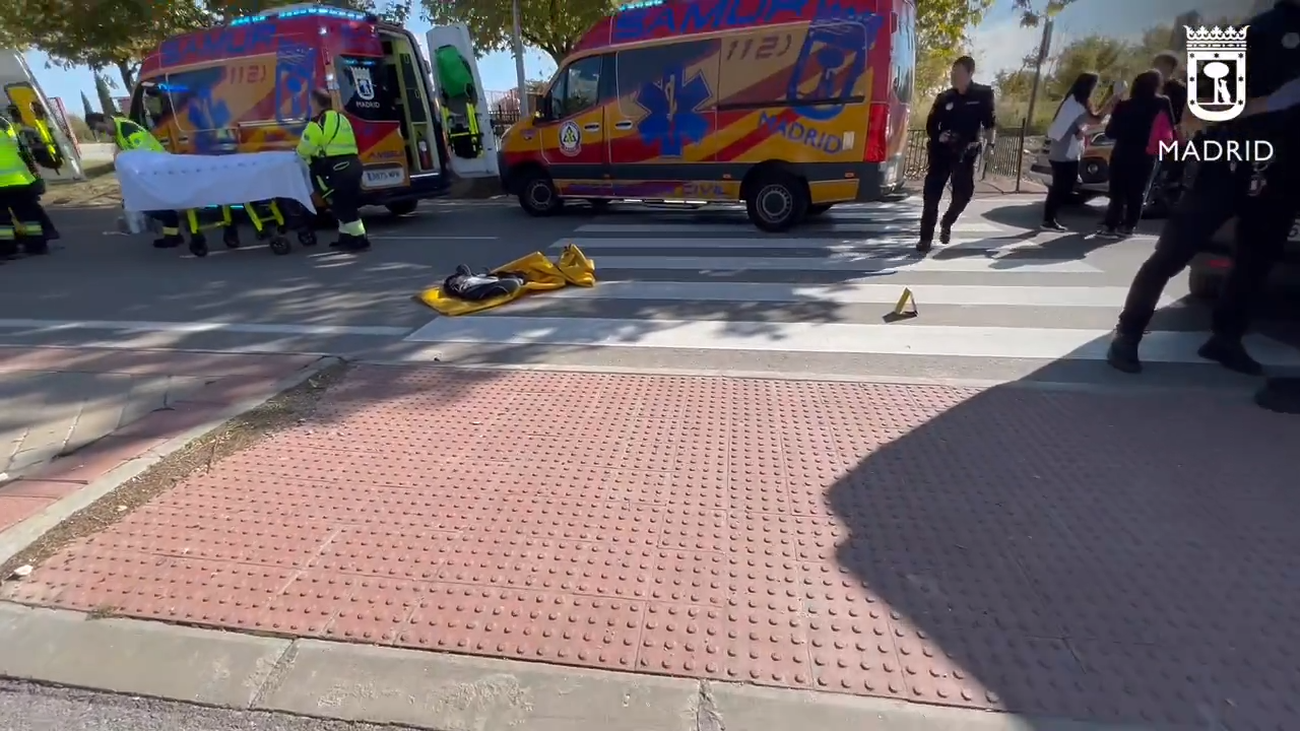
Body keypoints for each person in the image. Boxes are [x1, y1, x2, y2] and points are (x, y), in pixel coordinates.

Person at [1108, 0, 1300, 376]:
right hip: (1228, 159)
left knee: (1256, 261)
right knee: (1174, 251)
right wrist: (1271, 103)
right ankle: (1128, 333)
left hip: (1284, 169)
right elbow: (1196, 112)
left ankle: (1226, 339)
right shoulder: (1247, 32)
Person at [918, 55, 996, 253]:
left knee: (963, 195)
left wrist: (990, 145)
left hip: (965, 153)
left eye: (958, 72)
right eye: (952, 72)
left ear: (970, 73)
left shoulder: (983, 95)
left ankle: (947, 222)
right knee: (931, 196)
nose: (954, 76)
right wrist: (939, 135)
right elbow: (930, 124)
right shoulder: (944, 97)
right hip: (941, 153)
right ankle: (925, 238)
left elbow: (989, 124)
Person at [84, 111, 183, 248]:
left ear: (107, 119)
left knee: (151, 205)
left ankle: (173, 234)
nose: (106, 133)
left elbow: (143, 156)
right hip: (152, 170)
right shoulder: (120, 129)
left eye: (103, 129)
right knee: (153, 205)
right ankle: (172, 235)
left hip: (155, 169)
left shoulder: (127, 130)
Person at [1096, 70, 1172, 239]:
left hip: (1122, 151)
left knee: (1117, 192)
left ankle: (1110, 226)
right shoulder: (1162, 102)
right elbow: (1168, 126)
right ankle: (1129, 226)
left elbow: (1110, 132)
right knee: (1137, 192)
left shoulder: (1123, 105)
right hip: (1147, 153)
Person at [1041, 73, 1120, 230]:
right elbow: (1095, 120)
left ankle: (1049, 219)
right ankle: (1048, 219)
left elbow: (1082, 122)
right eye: (1095, 85)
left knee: (1062, 185)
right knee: (1063, 186)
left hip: (1063, 150)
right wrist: (1111, 103)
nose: (1096, 89)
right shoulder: (1076, 104)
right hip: (1064, 152)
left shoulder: (1073, 102)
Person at [296, 89, 369, 251]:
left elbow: (304, 150)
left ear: (315, 103)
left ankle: (359, 238)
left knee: (342, 207)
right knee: (345, 203)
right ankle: (345, 237)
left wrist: (304, 154)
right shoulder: (341, 118)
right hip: (353, 165)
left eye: (310, 102)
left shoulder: (316, 123)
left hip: (336, 169)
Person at [5, 103, 60, 239]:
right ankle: (39, 240)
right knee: (29, 212)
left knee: (5, 220)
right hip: (24, 178)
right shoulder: (15, 131)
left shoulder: (17, 131)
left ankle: (8, 246)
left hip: (13, 180)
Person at [0, 113, 51, 257]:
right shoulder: (6, 126)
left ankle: (7, 249)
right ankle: (37, 246)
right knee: (28, 217)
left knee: (2, 221)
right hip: (21, 180)